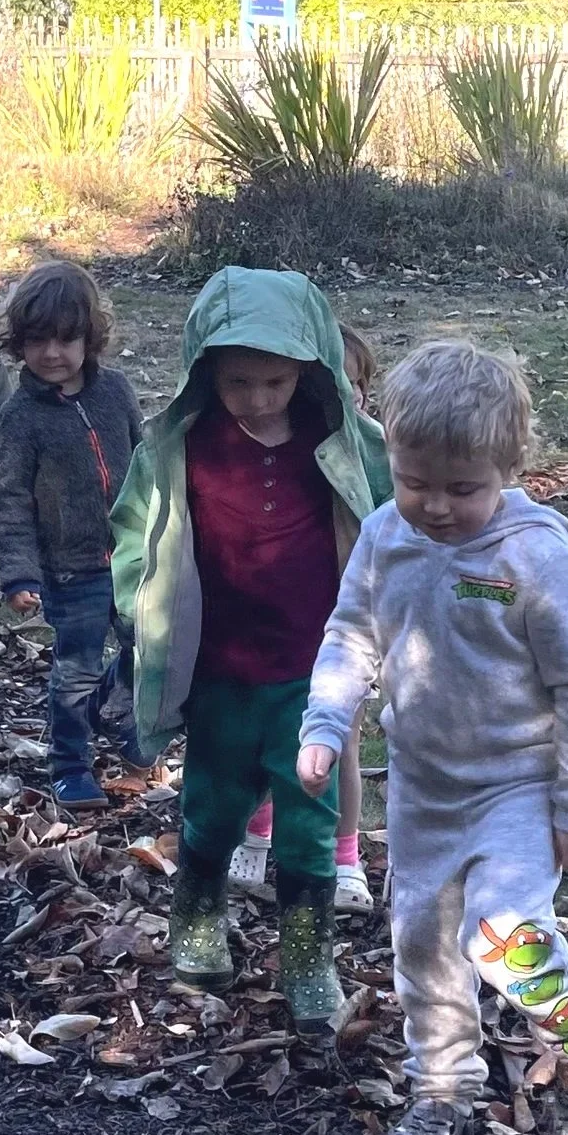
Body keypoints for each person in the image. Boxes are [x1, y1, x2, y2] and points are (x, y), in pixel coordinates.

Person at [296, 338, 568, 1135]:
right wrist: (326, 723)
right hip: (422, 788)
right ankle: (441, 1090)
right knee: (424, 942)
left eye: (462, 487)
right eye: (415, 482)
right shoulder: (385, 537)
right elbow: (352, 635)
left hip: (517, 783)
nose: (435, 506)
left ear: (507, 466)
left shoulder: (532, 555)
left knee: (503, 934)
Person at [110, 267, 389, 1032]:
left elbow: (395, 523)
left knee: (307, 809)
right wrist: (138, 603)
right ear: (206, 370)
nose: (260, 397)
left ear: (311, 367)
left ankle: (307, 957)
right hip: (220, 665)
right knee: (215, 802)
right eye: (239, 381)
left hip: (312, 666)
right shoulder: (182, 447)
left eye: (275, 379)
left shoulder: (341, 444)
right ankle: (197, 915)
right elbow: (134, 529)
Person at [230, 318, 379, 909]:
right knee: (267, 733)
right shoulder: (290, 445)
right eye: (336, 384)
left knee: (339, 739)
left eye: (359, 383)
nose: (350, 396)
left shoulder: (375, 451)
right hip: (271, 619)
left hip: (343, 626)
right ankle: (258, 828)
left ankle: (345, 857)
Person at [0, 256, 149, 810]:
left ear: (90, 337)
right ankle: (70, 764)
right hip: (69, 567)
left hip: (132, 558)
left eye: (66, 339)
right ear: (20, 343)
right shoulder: (21, 416)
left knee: (146, 649)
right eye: (38, 341)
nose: (52, 354)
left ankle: (110, 707)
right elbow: (9, 497)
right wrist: (18, 571)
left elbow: (145, 462)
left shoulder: (117, 393)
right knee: (75, 666)